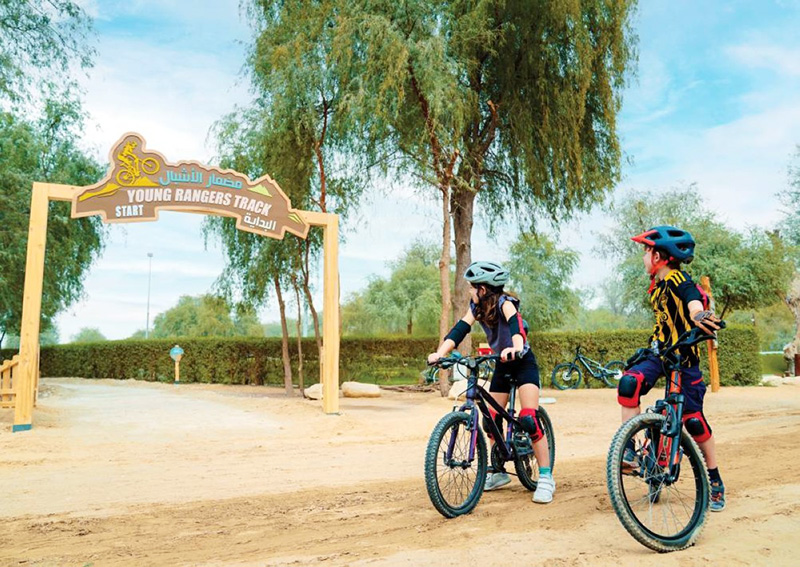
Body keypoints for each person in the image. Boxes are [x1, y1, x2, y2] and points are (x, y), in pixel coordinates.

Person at [427, 261, 555, 504]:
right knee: (491, 419)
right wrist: (440, 353)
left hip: (522, 362)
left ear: (483, 289)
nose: (469, 291)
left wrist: (517, 347)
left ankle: (546, 477)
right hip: (502, 363)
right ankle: (497, 471)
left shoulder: (505, 303)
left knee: (529, 418)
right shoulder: (476, 308)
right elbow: (459, 330)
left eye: (472, 287)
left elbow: (516, 325)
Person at [619, 226, 726, 511]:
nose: (643, 257)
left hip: (684, 358)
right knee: (629, 383)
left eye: (646, 251)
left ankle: (714, 478)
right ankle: (628, 449)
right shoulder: (656, 286)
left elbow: (691, 297)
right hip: (660, 354)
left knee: (693, 421)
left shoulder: (678, 278)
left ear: (658, 256)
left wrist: (698, 313)